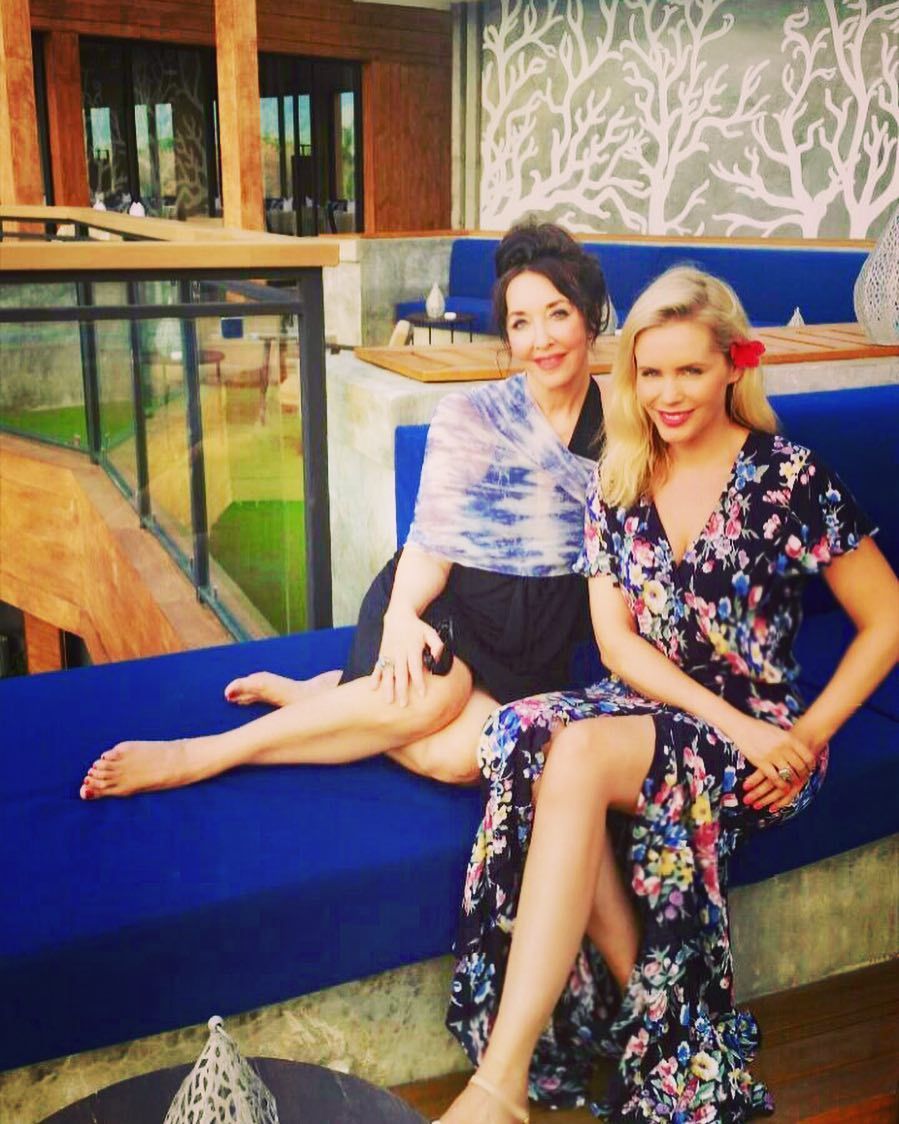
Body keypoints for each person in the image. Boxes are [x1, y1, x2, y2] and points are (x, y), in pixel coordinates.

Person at [438, 267, 899, 1122]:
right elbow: (616, 644)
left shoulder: (787, 478)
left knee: (573, 753)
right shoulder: (619, 474)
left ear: (733, 365)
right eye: (650, 372)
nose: (668, 393)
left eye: (690, 369)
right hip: (653, 706)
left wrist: (801, 738)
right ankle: (661, 1020)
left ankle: (498, 1085)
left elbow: (888, 617)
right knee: (516, 732)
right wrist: (719, 721)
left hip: (758, 738)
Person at [79, 222, 610, 800]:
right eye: (521, 322)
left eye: (557, 314)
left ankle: (335, 695)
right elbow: (430, 545)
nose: (541, 339)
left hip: (534, 644)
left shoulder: (623, 430)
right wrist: (401, 616)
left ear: (589, 316)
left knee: (464, 756)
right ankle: (202, 754)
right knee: (435, 697)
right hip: (447, 608)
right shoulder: (478, 416)